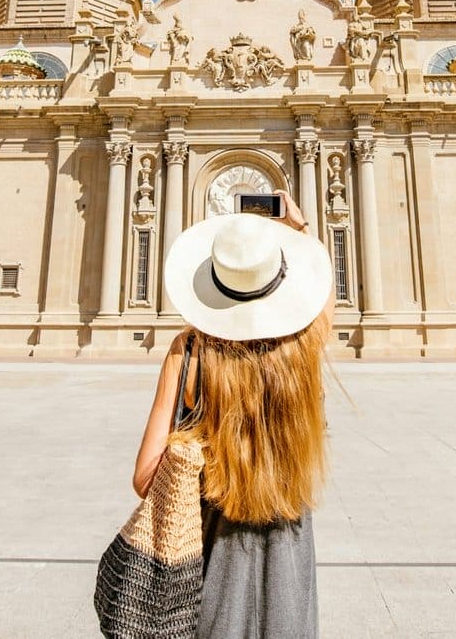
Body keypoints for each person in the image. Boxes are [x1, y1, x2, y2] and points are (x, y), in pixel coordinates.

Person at [131, 190, 334, 638]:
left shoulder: (187, 355)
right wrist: (302, 233)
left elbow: (145, 478)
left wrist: (204, 443)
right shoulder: (303, 351)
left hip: (207, 557)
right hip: (289, 558)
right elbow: (323, 305)